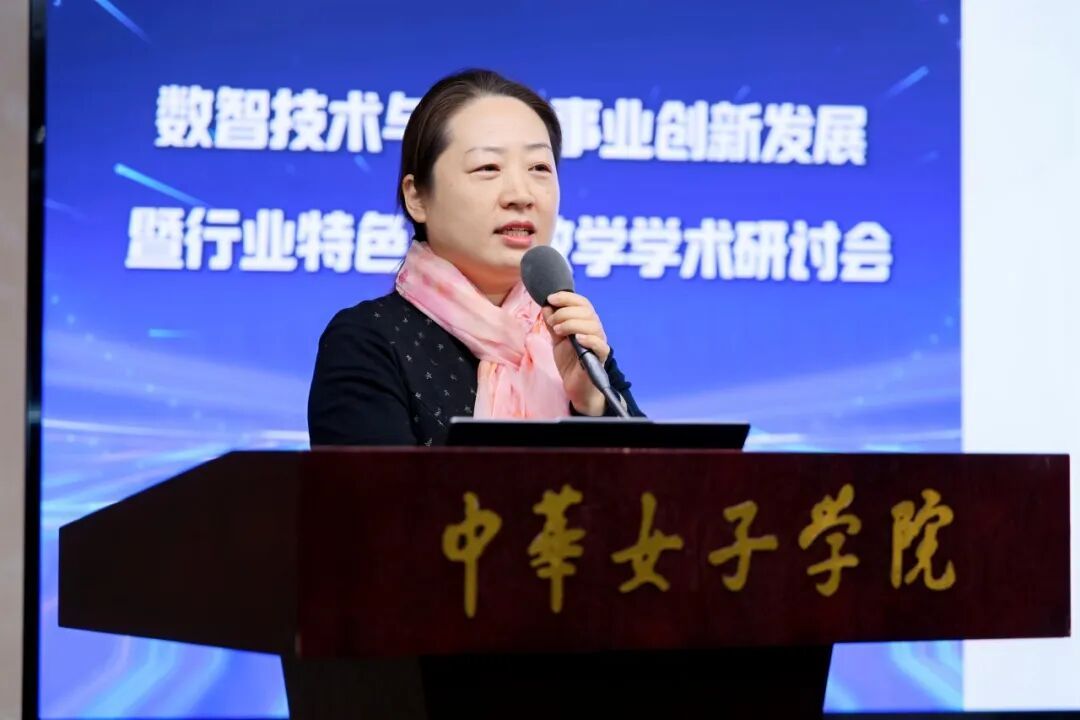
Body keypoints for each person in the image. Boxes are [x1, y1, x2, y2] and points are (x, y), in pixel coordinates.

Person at [307, 68, 645, 448]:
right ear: (417, 197)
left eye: (539, 168)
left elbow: (660, 479)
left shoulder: (572, 339)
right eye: (488, 168)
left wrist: (592, 405)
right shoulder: (368, 340)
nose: (521, 195)